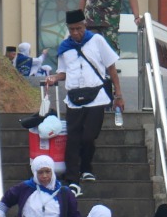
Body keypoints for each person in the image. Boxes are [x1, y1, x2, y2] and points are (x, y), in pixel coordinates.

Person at [42, 10, 122, 184]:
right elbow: (63, 72)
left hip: (97, 97)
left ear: (84, 25)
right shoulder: (65, 47)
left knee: (88, 137)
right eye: (72, 29)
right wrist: (54, 78)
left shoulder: (97, 41)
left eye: (78, 28)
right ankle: (72, 176)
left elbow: (111, 69)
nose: (75, 33)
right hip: (74, 99)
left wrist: (119, 95)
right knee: (72, 139)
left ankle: (86, 168)